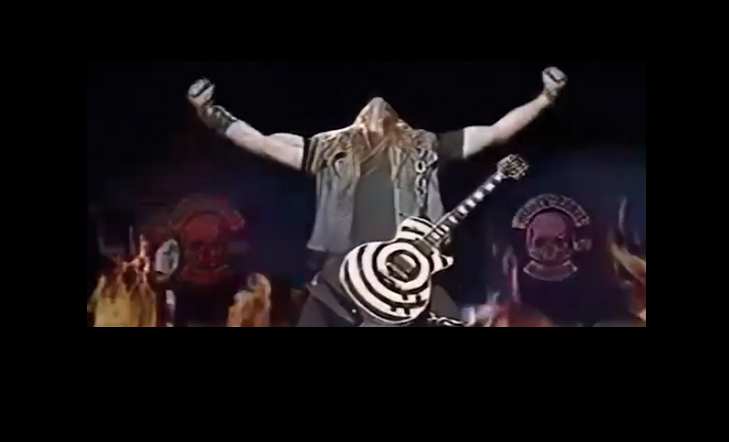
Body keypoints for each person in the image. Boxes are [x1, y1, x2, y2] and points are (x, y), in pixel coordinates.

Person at [187, 67, 568, 327]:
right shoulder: (328, 149)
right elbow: (262, 143)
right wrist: (212, 114)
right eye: (369, 105)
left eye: (389, 105)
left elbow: (496, 131)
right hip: (341, 274)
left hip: (407, 280)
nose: (378, 105)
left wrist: (545, 98)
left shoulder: (425, 146)